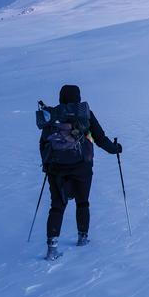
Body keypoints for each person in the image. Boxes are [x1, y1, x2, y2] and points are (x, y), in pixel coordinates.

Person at [38, 84, 122, 260]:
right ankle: (82, 238)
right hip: (82, 166)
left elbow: (44, 143)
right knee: (83, 202)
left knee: (57, 206)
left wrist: (46, 165)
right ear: (77, 97)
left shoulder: (53, 115)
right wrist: (115, 149)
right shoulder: (85, 113)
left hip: (56, 168)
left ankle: (52, 249)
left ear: (61, 97)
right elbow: (99, 138)